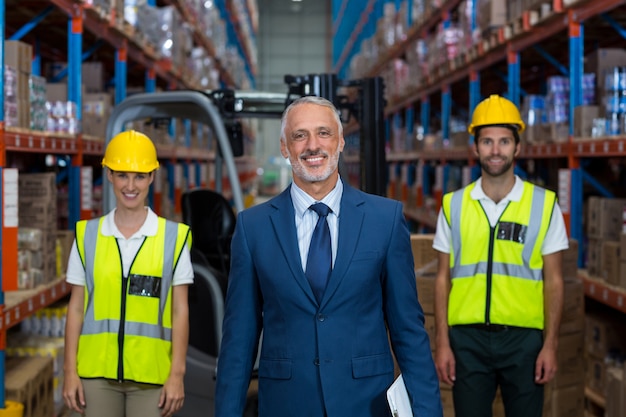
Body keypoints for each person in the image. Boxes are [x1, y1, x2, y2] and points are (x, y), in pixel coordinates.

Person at [215, 95, 442, 417]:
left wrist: (427, 411)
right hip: (287, 404)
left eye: (324, 133)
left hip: (364, 402)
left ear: (340, 143)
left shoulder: (384, 220)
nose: (312, 145)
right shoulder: (253, 228)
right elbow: (239, 339)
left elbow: (408, 330)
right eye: (299, 135)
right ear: (284, 147)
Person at [432, 94, 569, 417]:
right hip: (467, 341)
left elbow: (555, 281)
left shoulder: (544, 205)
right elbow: (442, 279)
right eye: (488, 141)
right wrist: (443, 343)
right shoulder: (454, 205)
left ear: (517, 147)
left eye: (504, 141)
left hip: (524, 343)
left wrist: (550, 345)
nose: (496, 150)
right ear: (475, 148)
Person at [62, 130, 194, 417]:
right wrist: (69, 371)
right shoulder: (87, 235)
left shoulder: (174, 238)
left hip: (152, 377)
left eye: (140, 176)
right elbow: (75, 309)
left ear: (152, 178)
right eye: (122, 175)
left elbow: (180, 311)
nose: (130, 185)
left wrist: (177, 374)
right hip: (95, 375)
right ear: (109, 175)